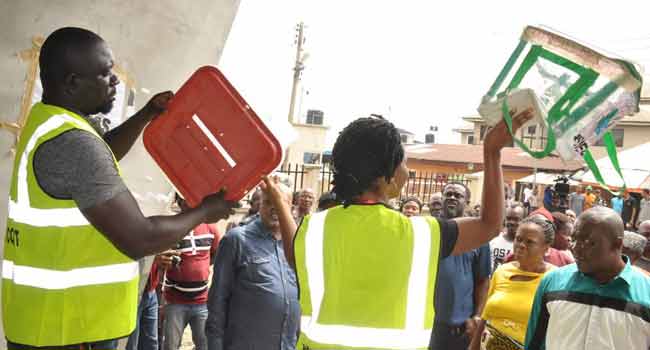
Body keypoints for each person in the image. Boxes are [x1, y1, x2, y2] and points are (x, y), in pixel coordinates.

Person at [3, 27, 235, 349]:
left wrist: (146, 115)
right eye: (105, 73)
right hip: (70, 329)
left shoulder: (49, 123)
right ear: (72, 83)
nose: (115, 81)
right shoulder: (76, 144)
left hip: (47, 322)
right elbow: (140, 238)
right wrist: (205, 211)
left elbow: (102, 152)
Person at [262, 110, 532, 350]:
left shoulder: (313, 229)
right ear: (384, 177)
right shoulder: (421, 235)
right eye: (403, 162)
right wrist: (492, 152)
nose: (408, 170)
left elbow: (292, 252)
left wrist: (282, 204)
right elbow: (489, 225)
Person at [524, 207, 650, 349]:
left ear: (617, 245)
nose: (576, 248)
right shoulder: (552, 283)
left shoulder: (646, 294)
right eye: (574, 239)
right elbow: (534, 344)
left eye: (589, 242)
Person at [206, 182, 299, 350]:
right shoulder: (237, 240)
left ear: (291, 208)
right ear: (259, 205)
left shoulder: (298, 245)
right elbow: (217, 301)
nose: (274, 208)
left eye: (280, 203)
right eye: (268, 202)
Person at [470, 215, 556, 350]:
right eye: (519, 239)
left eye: (530, 242)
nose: (521, 245)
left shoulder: (554, 279)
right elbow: (486, 317)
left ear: (546, 248)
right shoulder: (502, 271)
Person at [430, 182, 491, 350]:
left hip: (460, 328)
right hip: (428, 323)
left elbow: (483, 281)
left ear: (467, 202)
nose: (452, 198)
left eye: (458, 196)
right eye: (448, 194)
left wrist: (477, 316)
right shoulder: (430, 230)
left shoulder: (478, 236)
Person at [162, 194, 223, 350]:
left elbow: (215, 254)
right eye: (184, 199)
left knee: (205, 345)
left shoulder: (211, 228)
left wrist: (199, 270)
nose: (188, 202)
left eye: (191, 198)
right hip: (175, 302)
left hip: (202, 302)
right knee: (170, 346)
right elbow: (161, 257)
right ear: (178, 201)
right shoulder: (170, 227)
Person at [126, 251, 176, 350]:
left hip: (150, 291)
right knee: (131, 345)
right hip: (132, 293)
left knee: (151, 344)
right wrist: (152, 258)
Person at [490, 204, 525, 272]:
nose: (511, 222)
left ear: (523, 220)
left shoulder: (525, 246)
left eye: (516, 219)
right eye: (508, 218)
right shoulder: (493, 240)